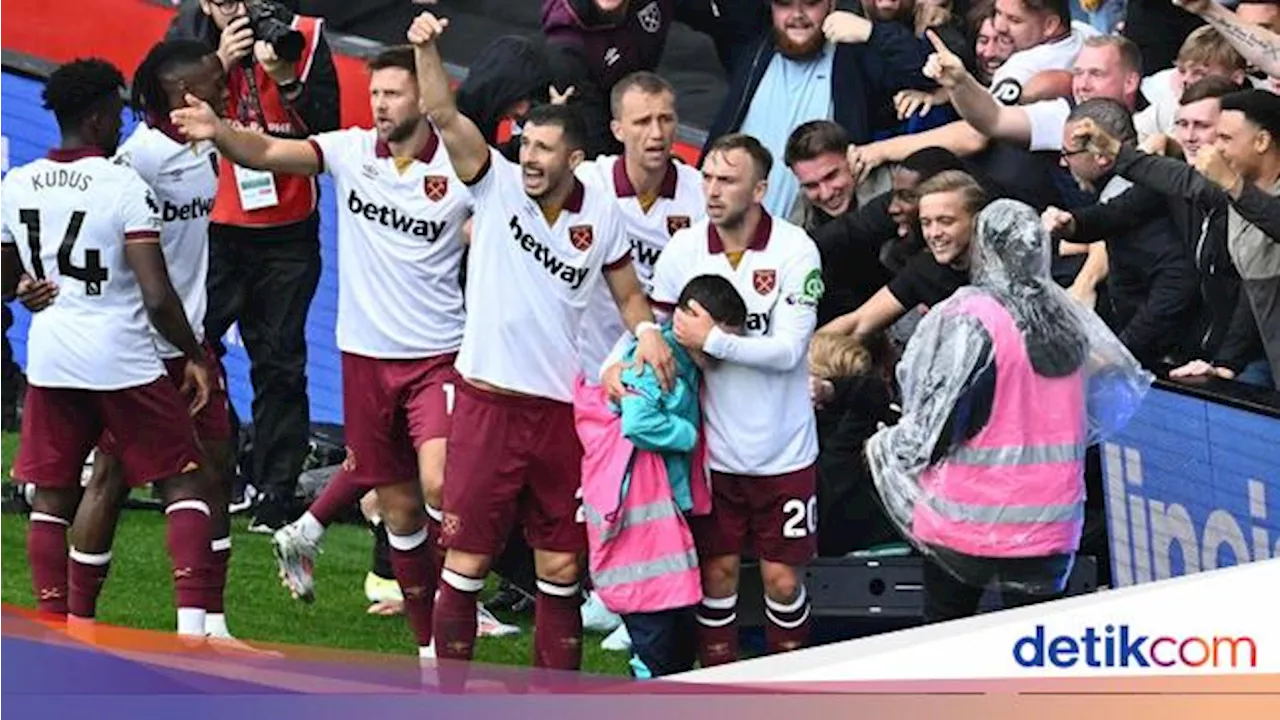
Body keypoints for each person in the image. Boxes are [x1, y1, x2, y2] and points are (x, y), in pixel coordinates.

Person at [171, 45, 476, 659]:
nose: (381, 105)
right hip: (364, 357)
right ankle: (430, 651)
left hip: (437, 356)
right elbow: (265, 152)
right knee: (399, 513)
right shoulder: (352, 151)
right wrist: (219, 131)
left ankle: (462, 594)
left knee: (441, 484)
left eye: (394, 93)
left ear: (424, 97)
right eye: (376, 94)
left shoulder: (466, 174)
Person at [406, 11, 673, 686]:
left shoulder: (602, 213)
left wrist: (645, 335)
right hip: (488, 403)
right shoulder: (493, 184)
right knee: (466, 563)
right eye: (524, 145)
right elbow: (440, 112)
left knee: (561, 570)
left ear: (574, 159)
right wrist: (428, 49)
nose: (527, 157)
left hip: (557, 414)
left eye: (543, 150)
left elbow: (628, 293)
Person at [19, 40, 240, 640]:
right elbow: (146, 282)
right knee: (127, 478)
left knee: (214, 465)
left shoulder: (210, 145)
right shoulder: (131, 167)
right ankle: (91, 625)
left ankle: (210, 626)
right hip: (140, 345)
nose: (222, 94)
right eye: (211, 85)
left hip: (160, 340)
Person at [865, 198, 1153, 623]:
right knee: (1032, 658)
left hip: (963, 521)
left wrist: (881, 447)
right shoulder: (1070, 318)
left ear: (983, 247)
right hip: (1050, 526)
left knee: (946, 645)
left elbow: (933, 424)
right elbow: (1102, 399)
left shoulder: (968, 317)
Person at [619, 133, 823, 665]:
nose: (711, 190)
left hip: (785, 450)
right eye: (707, 177)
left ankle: (788, 686)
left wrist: (712, 342)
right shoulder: (683, 250)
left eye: (727, 180)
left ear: (760, 189)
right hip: (713, 454)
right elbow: (656, 334)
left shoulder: (795, 249)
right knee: (717, 576)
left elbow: (788, 350)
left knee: (781, 582)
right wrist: (610, 367)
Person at [167, 0, 341, 533]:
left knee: (281, 363)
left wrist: (286, 79)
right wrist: (216, 62)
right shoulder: (186, 33)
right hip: (214, 226)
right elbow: (163, 118)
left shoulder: (302, 35)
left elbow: (329, 133)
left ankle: (275, 493)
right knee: (193, 349)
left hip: (287, 230)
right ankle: (207, 471)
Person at [578, 274, 747, 679]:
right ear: (686, 318)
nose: (719, 349)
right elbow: (638, 422)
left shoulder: (683, 361)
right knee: (656, 641)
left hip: (664, 518)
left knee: (675, 639)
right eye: (716, 335)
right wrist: (686, 435)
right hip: (643, 524)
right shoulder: (658, 360)